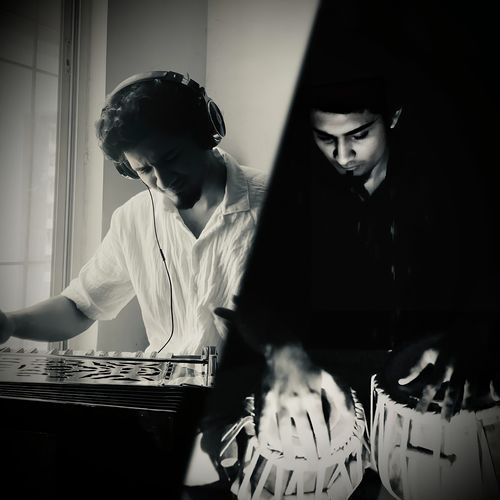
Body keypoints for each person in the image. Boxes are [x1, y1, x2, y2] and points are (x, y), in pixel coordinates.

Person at [0, 70, 268, 357]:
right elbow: (81, 306)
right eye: (144, 169)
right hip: (163, 386)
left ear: (204, 135)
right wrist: (9, 323)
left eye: (171, 158)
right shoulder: (133, 218)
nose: (163, 181)